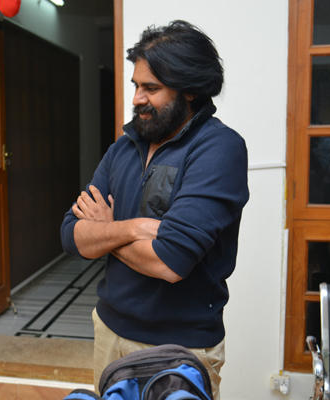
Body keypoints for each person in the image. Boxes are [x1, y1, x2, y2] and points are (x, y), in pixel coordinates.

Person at [60, 21, 249, 399]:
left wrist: (106, 230)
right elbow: (71, 235)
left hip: (180, 350)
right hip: (109, 332)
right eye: (135, 85)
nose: (136, 98)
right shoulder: (122, 148)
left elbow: (170, 262)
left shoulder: (219, 149)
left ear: (190, 90)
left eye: (151, 88)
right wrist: (132, 229)